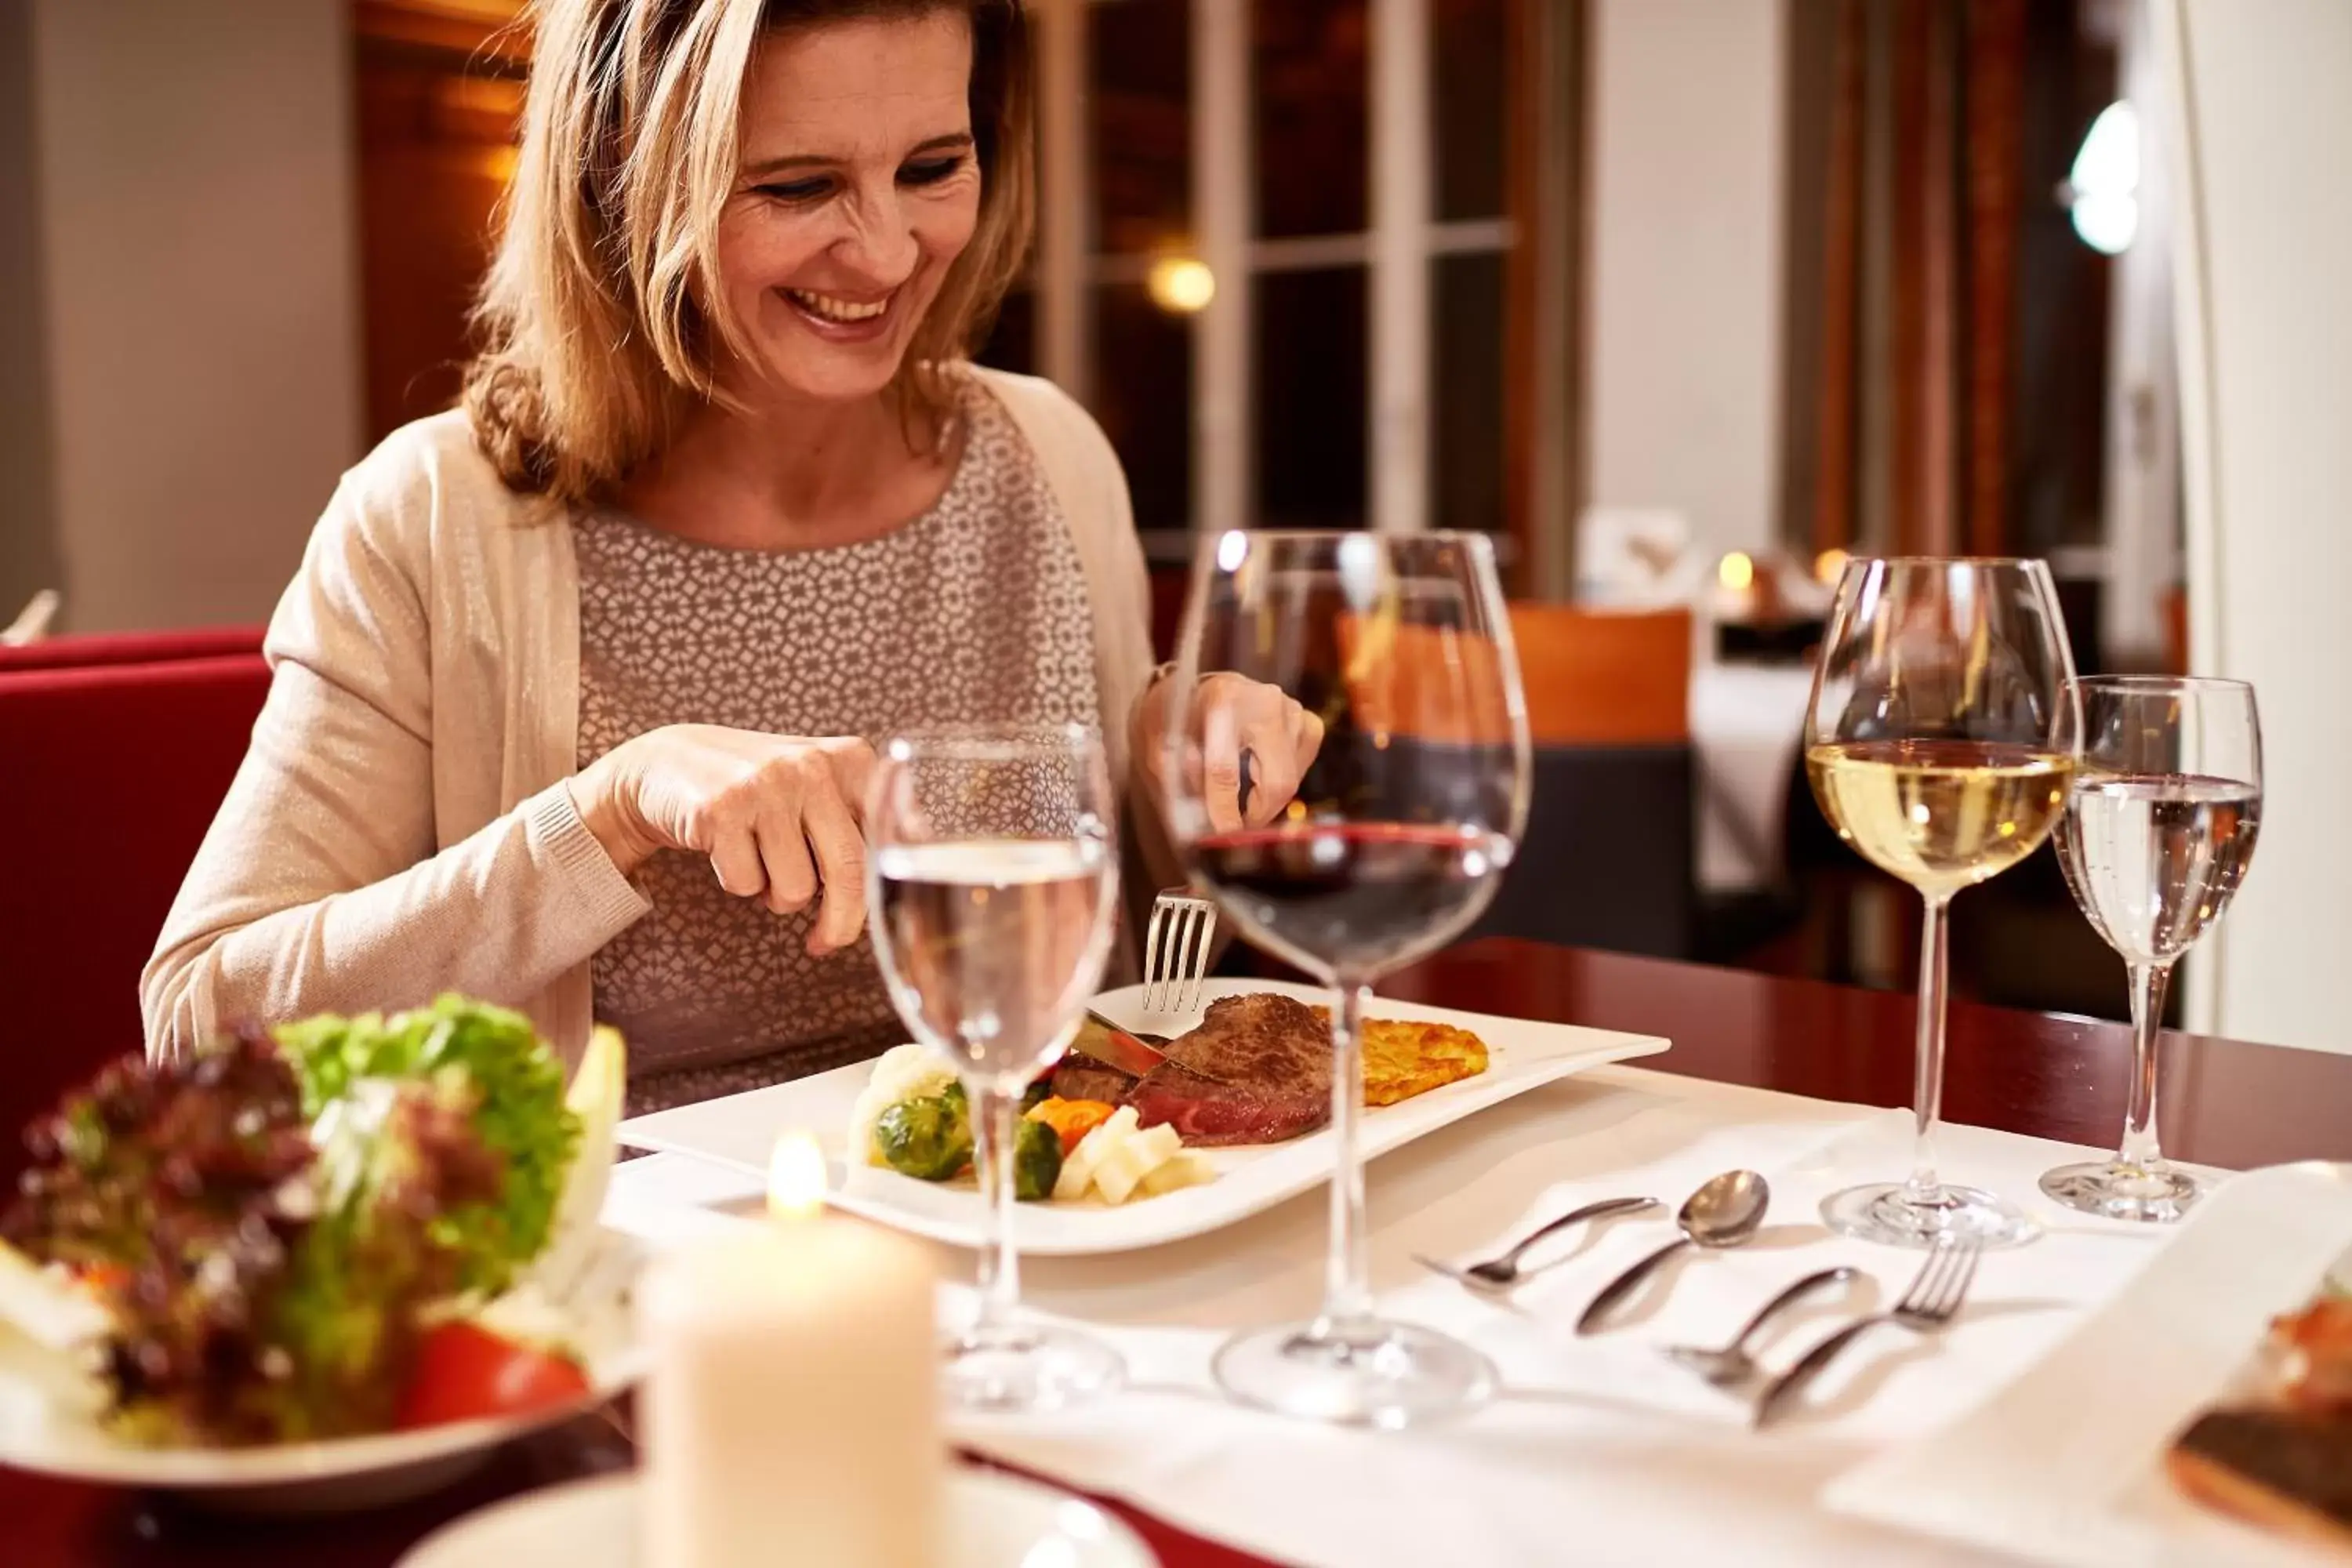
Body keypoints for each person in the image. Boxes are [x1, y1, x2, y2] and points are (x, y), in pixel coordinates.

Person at [143, 0, 1319, 1113]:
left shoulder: (1049, 456)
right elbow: (201, 1019)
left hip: (1037, 1235)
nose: (886, 253)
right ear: (625, 182)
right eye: (799, 186)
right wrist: (604, 818)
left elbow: (1126, 952)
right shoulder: (435, 514)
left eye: (930, 168)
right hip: (645, 1281)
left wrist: (1182, 776)